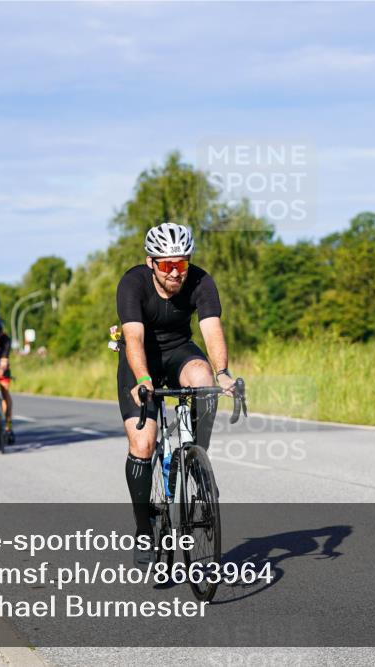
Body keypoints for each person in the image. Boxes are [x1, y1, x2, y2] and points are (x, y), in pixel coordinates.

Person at [115, 222, 236, 565]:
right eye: (167, 265)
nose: (175, 273)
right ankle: (143, 531)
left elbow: (211, 330)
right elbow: (134, 339)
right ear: (151, 262)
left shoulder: (201, 281)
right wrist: (142, 378)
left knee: (203, 378)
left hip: (179, 350)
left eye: (181, 264)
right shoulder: (132, 283)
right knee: (142, 443)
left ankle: (197, 458)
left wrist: (223, 372)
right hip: (141, 361)